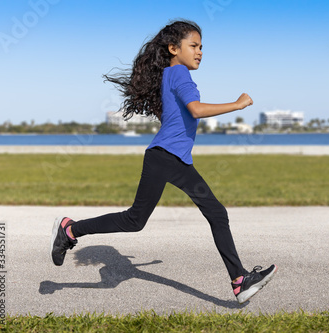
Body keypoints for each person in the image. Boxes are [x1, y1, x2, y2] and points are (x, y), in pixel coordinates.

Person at [50, 19, 277, 304]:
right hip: (163, 158)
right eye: (193, 46)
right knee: (135, 220)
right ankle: (70, 229)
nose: (200, 52)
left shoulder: (172, 75)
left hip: (176, 159)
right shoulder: (179, 73)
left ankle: (240, 280)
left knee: (215, 213)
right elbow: (195, 110)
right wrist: (237, 103)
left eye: (201, 47)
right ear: (173, 48)